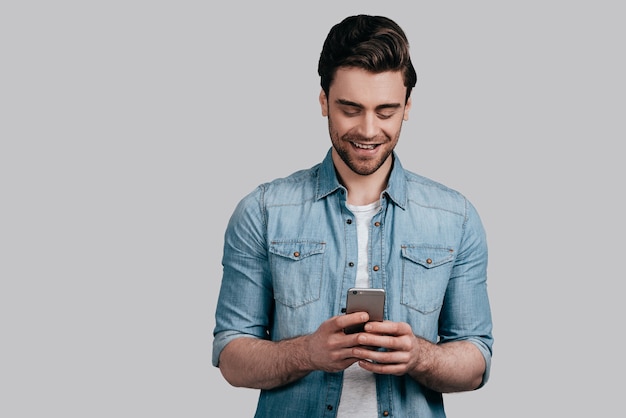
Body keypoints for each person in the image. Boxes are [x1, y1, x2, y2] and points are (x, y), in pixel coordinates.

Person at [212, 14, 493, 418]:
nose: (367, 129)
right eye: (350, 108)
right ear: (324, 100)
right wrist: (307, 353)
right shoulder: (262, 211)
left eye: (386, 111)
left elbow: (477, 359)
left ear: (408, 107)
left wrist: (419, 357)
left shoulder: (457, 217)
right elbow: (231, 354)